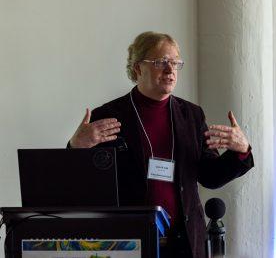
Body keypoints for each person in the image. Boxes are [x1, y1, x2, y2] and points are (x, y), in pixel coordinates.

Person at [68, 31, 254, 258]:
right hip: (130, 244)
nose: (170, 70)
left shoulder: (192, 115)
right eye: (161, 62)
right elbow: (82, 185)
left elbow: (210, 176)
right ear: (137, 68)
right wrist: (75, 147)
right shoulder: (109, 115)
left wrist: (241, 152)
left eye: (175, 63)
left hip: (185, 243)